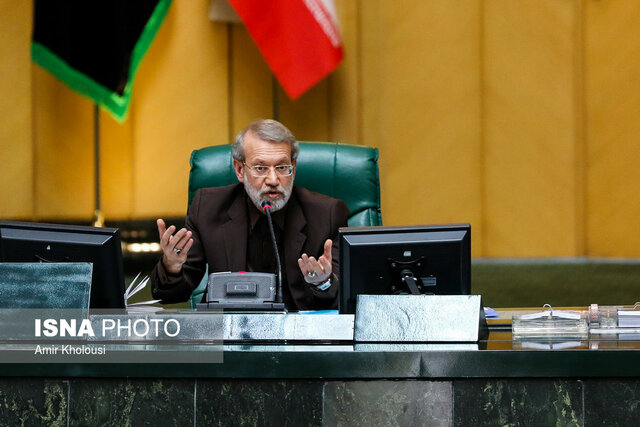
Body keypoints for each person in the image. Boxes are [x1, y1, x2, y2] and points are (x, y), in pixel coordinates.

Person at [150, 119, 349, 310]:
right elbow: (170, 296)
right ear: (239, 169)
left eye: (281, 167)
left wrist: (323, 282)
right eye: (261, 168)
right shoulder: (208, 208)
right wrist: (172, 265)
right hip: (228, 332)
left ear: (293, 168)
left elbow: (346, 298)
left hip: (299, 337)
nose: (273, 179)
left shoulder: (327, 214)